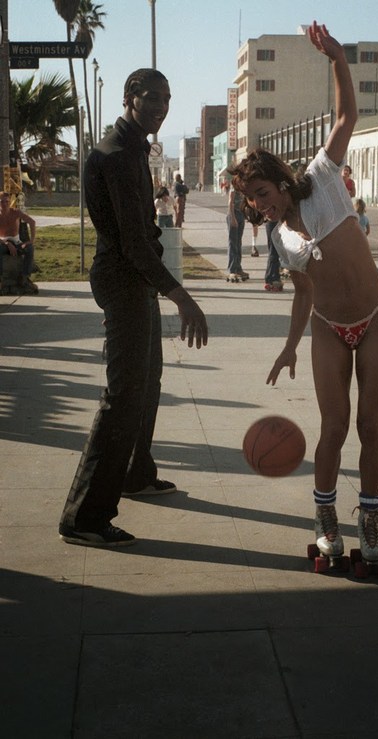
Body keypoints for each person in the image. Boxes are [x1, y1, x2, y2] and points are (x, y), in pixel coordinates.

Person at [229, 21, 378, 569]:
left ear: (279, 182)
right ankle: (326, 524)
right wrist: (288, 346)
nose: (259, 207)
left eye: (261, 195)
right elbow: (304, 293)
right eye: (251, 203)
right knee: (334, 428)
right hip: (329, 327)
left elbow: (347, 115)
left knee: (371, 427)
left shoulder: (323, 176)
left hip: (375, 316)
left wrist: (335, 59)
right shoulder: (279, 235)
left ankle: (369, 521)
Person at [58, 68, 208, 548]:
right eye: (153, 99)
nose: (162, 107)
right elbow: (133, 245)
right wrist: (181, 296)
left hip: (134, 278)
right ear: (129, 97)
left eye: (168, 98)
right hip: (124, 280)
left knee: (148, 383)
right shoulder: (118, 155)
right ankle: (85, 516)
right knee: (124, 394)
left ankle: (135, 473)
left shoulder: (133, 147)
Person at [0, 192, 38, 295]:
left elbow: (32, 222)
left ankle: (25, 276)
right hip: (3, 242)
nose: (4, 204)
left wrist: (31, 240)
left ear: (10, 202)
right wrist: (7, 243)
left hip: (16, 241)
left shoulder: (15, 212)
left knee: (29, 248)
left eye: (6, 201)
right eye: (1, 201)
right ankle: (1, 279)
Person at [263, 220, 282, 291]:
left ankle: (270, 277)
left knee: (273, 250)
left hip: (272, 222)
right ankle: (273, 278)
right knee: (274, 250)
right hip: (274, 223)